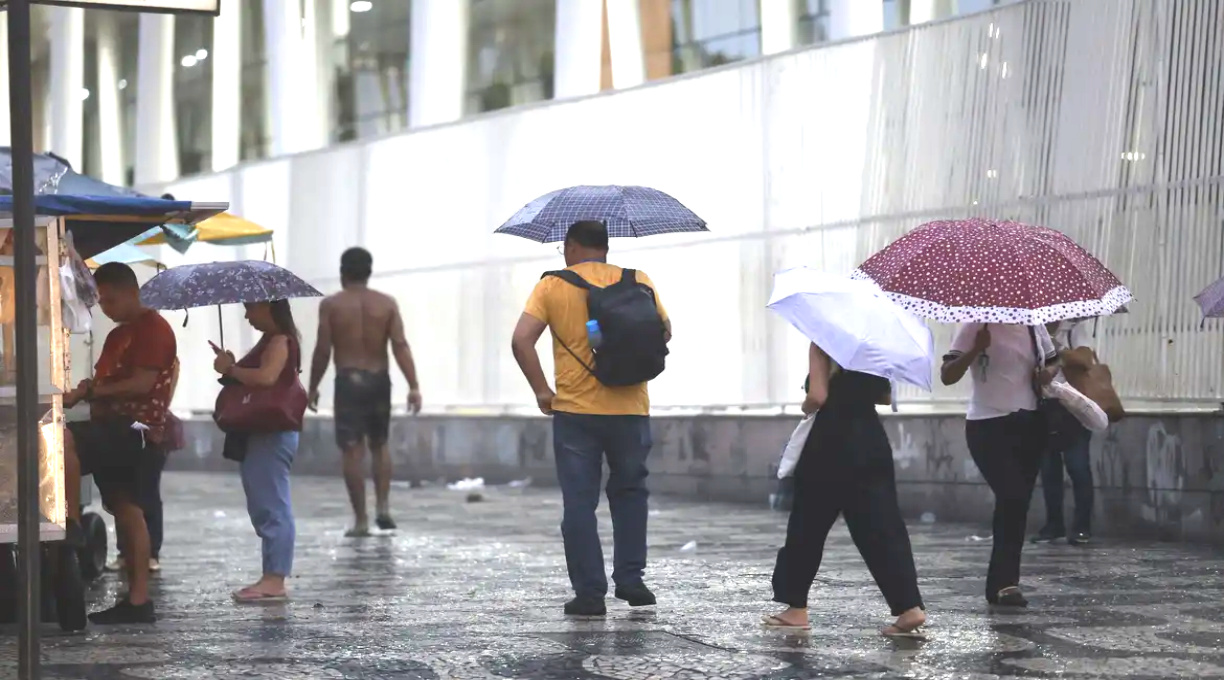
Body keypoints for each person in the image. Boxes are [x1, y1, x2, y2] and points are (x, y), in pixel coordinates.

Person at [510, 220, 670, 617]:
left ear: (571, 246)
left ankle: (589, 594)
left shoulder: (552, 285)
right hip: (630, 408)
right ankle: (632, 581)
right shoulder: (639, 279)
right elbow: (664, 333)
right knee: (631, 494)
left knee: (579, 503)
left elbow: (520, 340)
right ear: (606, 247)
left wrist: (542, 391)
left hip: (575, 412)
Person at [764, 344, 926, 636]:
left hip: (830, 442)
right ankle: (909, 607)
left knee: (807, 527)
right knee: (883, 527)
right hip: (871, 441)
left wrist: (806, 407)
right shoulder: (874, 345)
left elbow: (817, 396)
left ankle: (795, 608)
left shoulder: (823, 341)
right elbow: (886, 397)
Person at [61, 262, 176, 624]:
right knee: (125, 509)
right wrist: (85, 391)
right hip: (111, 425)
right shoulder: (117, 335)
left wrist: (92, 391)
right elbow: (107, 379)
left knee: (61, 441)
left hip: (134, 430)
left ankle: (71, 523)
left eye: (109, 300)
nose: (105, 309)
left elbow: (141, 383)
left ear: (131, 292)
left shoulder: (154, 329)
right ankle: (137, 601)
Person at [308, 247, 421, 537]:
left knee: (352, 450)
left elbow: (323, 350)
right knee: (380, 444)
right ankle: (383, 507)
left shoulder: (332, 305)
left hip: (348, 381)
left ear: (342, 272)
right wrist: (413, 386)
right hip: (378, 380)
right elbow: (400, 345)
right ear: (369, 272)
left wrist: (312, 386)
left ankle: (361, 520)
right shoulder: (386, 304)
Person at [942, 323, 1056, 607]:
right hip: (987, 425)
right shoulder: (974, 324)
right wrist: (975, 349)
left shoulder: (1034, 325)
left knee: (1017, 504)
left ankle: (1005, 584)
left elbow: (1054, 361)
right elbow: (948, 375)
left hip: (1030, 422)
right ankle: (1004, 582)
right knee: (1012, 495)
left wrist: (1048, 374)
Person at [213, 300, 303, 602]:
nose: (247, 315)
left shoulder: (279, 341)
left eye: (251, 307)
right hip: (263, 433)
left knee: (272, 504)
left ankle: (274, 580)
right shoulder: (270, 341)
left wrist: (233, 369)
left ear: (269, 307)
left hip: (271, 433)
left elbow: (266, 378)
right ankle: (270, 576)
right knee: (264, 502)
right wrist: (231, 366)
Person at [107, 358, 178, 575]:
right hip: (124, 428)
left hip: (150, 431)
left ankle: (149, 553)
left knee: (146, 492)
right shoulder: (125, 353)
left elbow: (161, 393)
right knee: (125, 494)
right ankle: (127, 552)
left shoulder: (164, 358)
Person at [1031, 318, 1095, 545]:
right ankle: (1053, 525)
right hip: (1044, 406)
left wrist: (1057, 351)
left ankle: (1082, 527)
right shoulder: (1032, 327)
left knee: (1078, 467)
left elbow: (1086, 360)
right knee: (1049, 470)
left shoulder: (1073, 328)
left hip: (1073, 407)